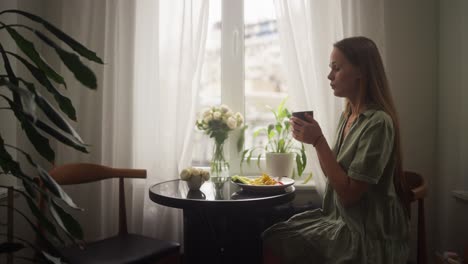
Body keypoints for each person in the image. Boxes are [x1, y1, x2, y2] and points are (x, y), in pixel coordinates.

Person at [262, 36, 410, 264]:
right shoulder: (348, 115)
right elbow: (336, 175)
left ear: (361, 71)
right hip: (337, 218)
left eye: (336, 68)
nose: (330, 76)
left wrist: (319, 141)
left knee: (280, 241)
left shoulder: (378, 123)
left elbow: (349, 194)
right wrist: (314, 141)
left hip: (365, 234)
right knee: (272, 234)